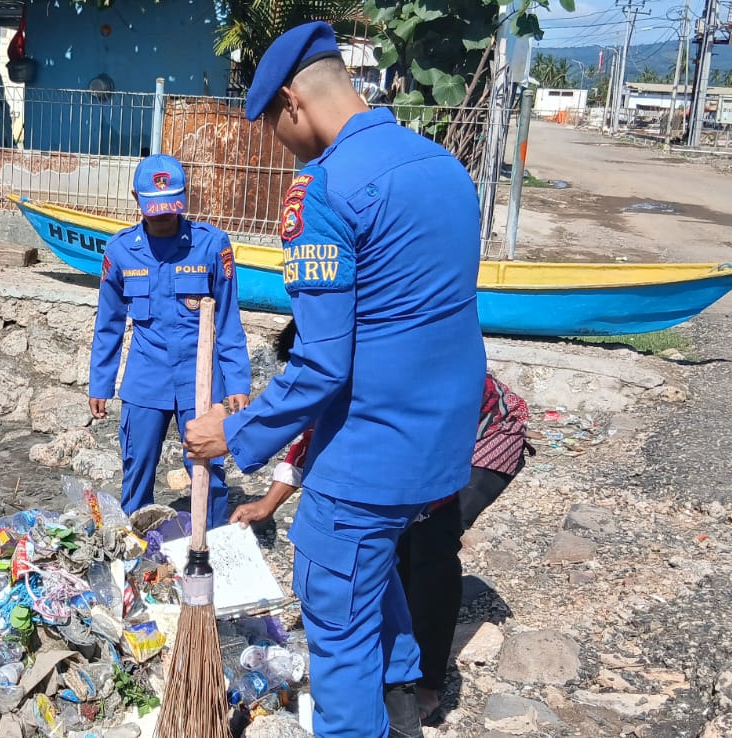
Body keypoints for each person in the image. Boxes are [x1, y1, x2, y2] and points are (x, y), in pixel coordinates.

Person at [182, 21, 486, 738]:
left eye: (271, 126)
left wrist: (234, 432)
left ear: (294, 101)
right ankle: (402, 702)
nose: (277, 143)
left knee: (336, 608)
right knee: (374, 574)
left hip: (369, 453)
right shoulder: (441, 166)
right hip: (441, 445)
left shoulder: (325, 189)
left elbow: (322, 361)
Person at [230, 321, 531, 725]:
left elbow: (431, 458)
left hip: (484, 437)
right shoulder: (339, 376)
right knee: (389, 543)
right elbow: (312, 438)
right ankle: (390, 661)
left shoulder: (386, 370)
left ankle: (426, 685)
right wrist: (267, 503)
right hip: (418, 442)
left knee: (430, 545)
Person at [88, 154, 252, 526]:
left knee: (206, 468)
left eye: (170, 208)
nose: (163, 218)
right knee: (137, 465)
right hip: (146, 377)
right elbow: (109, 323)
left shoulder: (211, 246)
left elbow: (227, 320)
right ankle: (133, 549)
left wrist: (238, 381)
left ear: (184, 198)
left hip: (202, 376)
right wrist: (101, 382)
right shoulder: (120, 251)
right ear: (136, 198)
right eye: (154, 209)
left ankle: (208, 547)